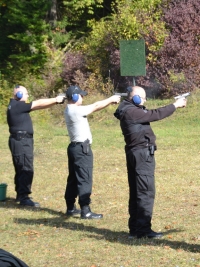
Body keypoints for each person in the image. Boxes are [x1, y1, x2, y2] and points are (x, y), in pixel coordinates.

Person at [114, 86, 186, 239]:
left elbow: (150, 113)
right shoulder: (132, 111)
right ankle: (143, 230)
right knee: (145, 192)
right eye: (143, 98)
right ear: (136, 98)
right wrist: (176, 105)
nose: (145, 101)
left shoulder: (127, 109)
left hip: (135, 153)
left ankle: (135, 228)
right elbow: (156, 114)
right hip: (142, 155)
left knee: (136, 192)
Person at [64, 85, 121, 219]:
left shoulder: (69, 109)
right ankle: (85, 210)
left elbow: (95, 107)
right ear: (75, 96)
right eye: (81, 95)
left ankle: (70, 207)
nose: (82, 97)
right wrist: (111, 99)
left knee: (73, 178)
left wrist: (109, 101)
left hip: (74, 148)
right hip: (82, 150)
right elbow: (95, 106)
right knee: (85, 179)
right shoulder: (75, 111)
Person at [7, 85, 66, 207]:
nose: (28, 95)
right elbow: (38, 103)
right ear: (19, 95)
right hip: (22, 140)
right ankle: (24, 197)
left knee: (20, 167)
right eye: (26, 93)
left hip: (19, 140)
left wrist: (56, 102)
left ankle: (20, 194)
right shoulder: (18, 105)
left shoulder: (15, 105)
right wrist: (56, 99)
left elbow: (40, 106)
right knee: (25, 168)